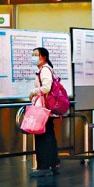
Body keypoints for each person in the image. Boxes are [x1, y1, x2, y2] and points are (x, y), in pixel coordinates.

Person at [28, 47, 59, 177]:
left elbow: (46, 87)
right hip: (47, 110)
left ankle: (44, 166)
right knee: (48, 136)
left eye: (36, 54)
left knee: (42, 138)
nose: (34, 57)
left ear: (43, 57)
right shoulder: (46, 69)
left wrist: (33, 92)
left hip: (44, 109)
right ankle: (53, 164)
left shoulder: (45, 70)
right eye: (33, 54)